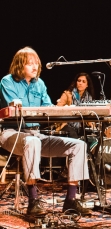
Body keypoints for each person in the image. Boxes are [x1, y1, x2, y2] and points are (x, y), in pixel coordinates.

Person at [0, 47, 92, 216]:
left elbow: (48, 107)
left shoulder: (40, 84)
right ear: (19, 65)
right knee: (32, 142)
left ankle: (71, 200)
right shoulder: (7, 81)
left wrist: (65, 110)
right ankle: (33, 201)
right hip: (11, 134)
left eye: (36, 63)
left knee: (79, 145)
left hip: (36, 134)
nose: (34, 67)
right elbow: (14, 107)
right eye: (30, 63)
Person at [56, 72, 95, 138]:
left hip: (81, 126)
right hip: (67, 124)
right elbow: (58, 109)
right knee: (74, 136)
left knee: (93, 136)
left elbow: (90, 114)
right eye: (79, 81)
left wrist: (92, 125)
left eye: (83, 81)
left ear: (87, 85)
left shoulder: (89, 97)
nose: (80, 83)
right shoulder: (67, 94)